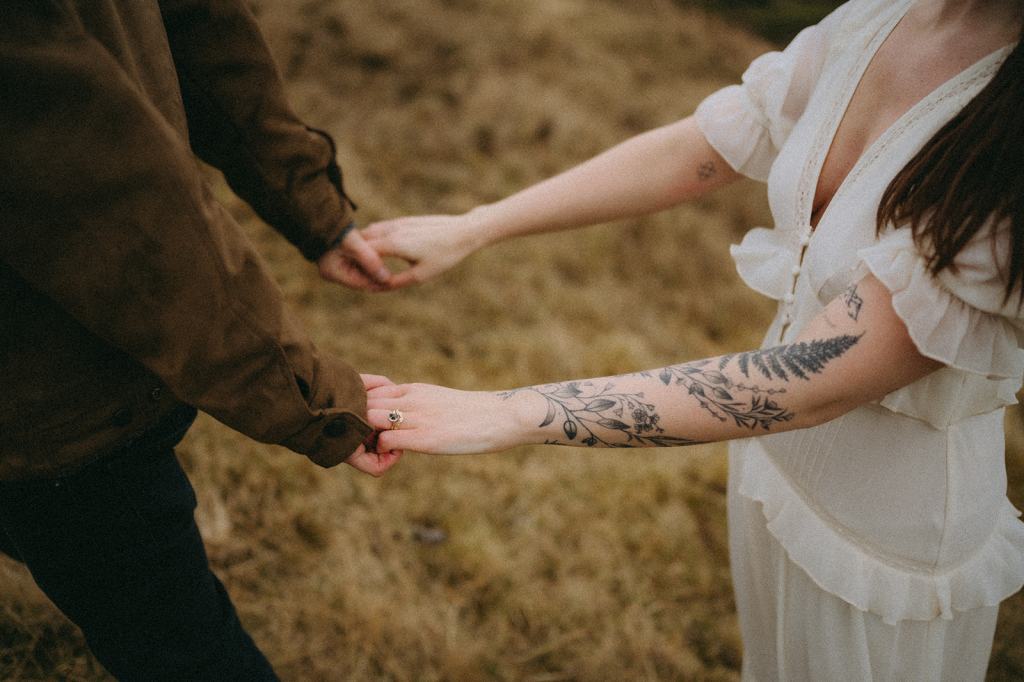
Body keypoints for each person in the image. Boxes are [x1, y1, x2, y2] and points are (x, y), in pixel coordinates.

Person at [362, 0, 1024, 678]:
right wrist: (476, 225)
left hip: (883, 552)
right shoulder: (881, 15)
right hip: (770, 473)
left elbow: (810, 379)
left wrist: (506, 412)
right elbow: (705, 148)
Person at [0, 2, 400, 680]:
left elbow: (193, 19)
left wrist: (308, 201)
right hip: (49, 389)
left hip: (62, 368)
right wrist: (311, 400)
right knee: (185, 649)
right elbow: (110, 196)